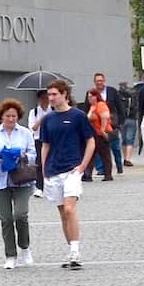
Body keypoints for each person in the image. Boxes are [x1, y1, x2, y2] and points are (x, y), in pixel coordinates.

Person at [37, 80, 96, 270]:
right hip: (53, 170)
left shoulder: (78, 116)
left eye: (54, 94)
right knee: (63, 214)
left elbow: (90, 141)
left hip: (72, 169)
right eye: (49, 94)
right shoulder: (48, 119)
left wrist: (83, 166)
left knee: (70, 209)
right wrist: (44, 168)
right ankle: (71, 250)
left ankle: (76, 250)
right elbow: (45, 145)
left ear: (64, 94)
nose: (51, 98)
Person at [0, 99, 37, 269]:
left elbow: (33, 154)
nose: (11, 119)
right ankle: (10, 255)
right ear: (1, 117)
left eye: (14, 116)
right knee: (5, 219)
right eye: (7, 116)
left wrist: (23, 157)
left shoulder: (25, 133)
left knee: (20, 215)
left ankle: (25, 247)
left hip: (21, 179)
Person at [91, 73, 129, 171]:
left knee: (115, 146)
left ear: (104, 81)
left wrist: (121, 122)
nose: (99, 82)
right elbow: (88, 107)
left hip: (112, 123)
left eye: (101, 80)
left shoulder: (112, 91)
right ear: (94, 82)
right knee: (99, 147)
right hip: (97, 124)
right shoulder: (92, 93)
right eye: (97, 80)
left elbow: (119, 106)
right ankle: (101, 169)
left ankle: (119, 166)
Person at [81, 89, 116, 183]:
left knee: (105, 155)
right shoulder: (92, 106)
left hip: (100, 134)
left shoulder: (101, 105)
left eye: (91, 96)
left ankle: (108, 174)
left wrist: (103, 131)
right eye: (88, 97)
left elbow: (104, 117)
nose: (89, 98)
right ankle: (87, 174)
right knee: (91, 155)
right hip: (93, 133)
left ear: (96, 96)